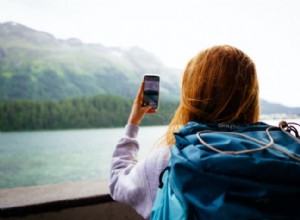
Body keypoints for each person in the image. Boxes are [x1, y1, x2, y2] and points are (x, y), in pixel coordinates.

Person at [109, 45, 260, 219]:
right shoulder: (280, 152)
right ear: (251, 96)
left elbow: (117, 180)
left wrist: (133, 122)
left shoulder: (168, 162)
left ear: (192, 94)